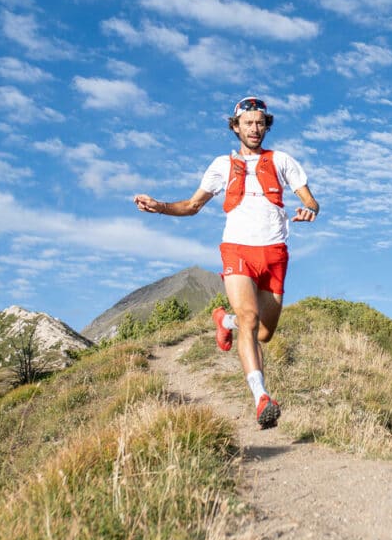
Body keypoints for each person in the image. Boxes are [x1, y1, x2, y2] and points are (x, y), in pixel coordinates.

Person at [134, 96, 320, 429]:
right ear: (235, 127)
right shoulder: (222, 165)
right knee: (250, 318)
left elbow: (310, 199)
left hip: (275, 251)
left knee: (264, 333)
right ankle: (261, 397)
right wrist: (159, 205)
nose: (255, 128)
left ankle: (225, 321)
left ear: (267, 125)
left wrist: (310, 210)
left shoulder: (282, 161)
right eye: (248, 123)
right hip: (237, 249)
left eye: (260, 122)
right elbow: (192, 205)